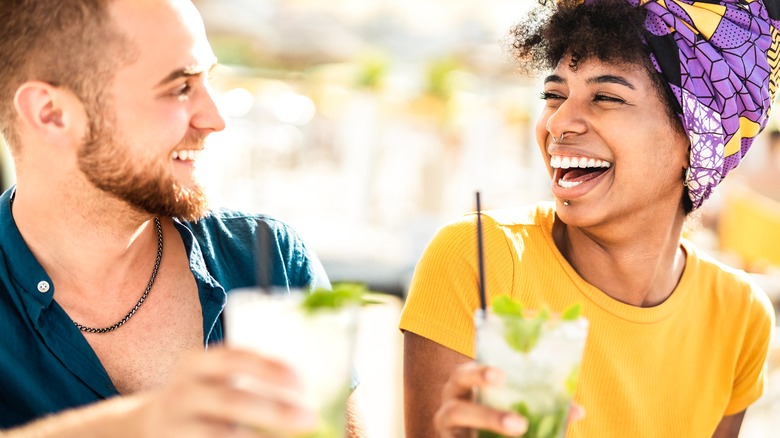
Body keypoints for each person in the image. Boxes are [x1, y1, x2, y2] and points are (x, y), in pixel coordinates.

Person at [400, 0, 779, 437]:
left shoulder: (739, 316)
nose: (559, 122)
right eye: (553, 95)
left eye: (606, 97)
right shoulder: (480, 257)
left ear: (698, 140)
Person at [0, 0, 362, 436]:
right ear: (51, 114)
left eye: (209, 80)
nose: (216, 119)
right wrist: (143, 422)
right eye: (180, 88)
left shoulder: (271, 259)